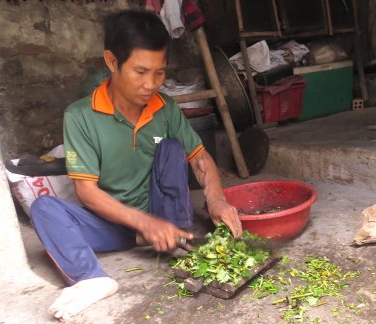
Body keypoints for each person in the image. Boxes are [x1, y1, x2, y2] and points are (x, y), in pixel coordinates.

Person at [30, 10, 242, 322]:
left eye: (159, 73)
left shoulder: (165, 107)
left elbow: (199, 158)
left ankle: (175, 237)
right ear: (112, 62)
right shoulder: (80, 116)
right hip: (115, 224)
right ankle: (93, 278)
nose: (151, 84)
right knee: (44, 209)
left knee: (171, 147)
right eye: (140, 71)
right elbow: (87, 193)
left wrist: (217, 200)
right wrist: (144, 225)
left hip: (164, 220)